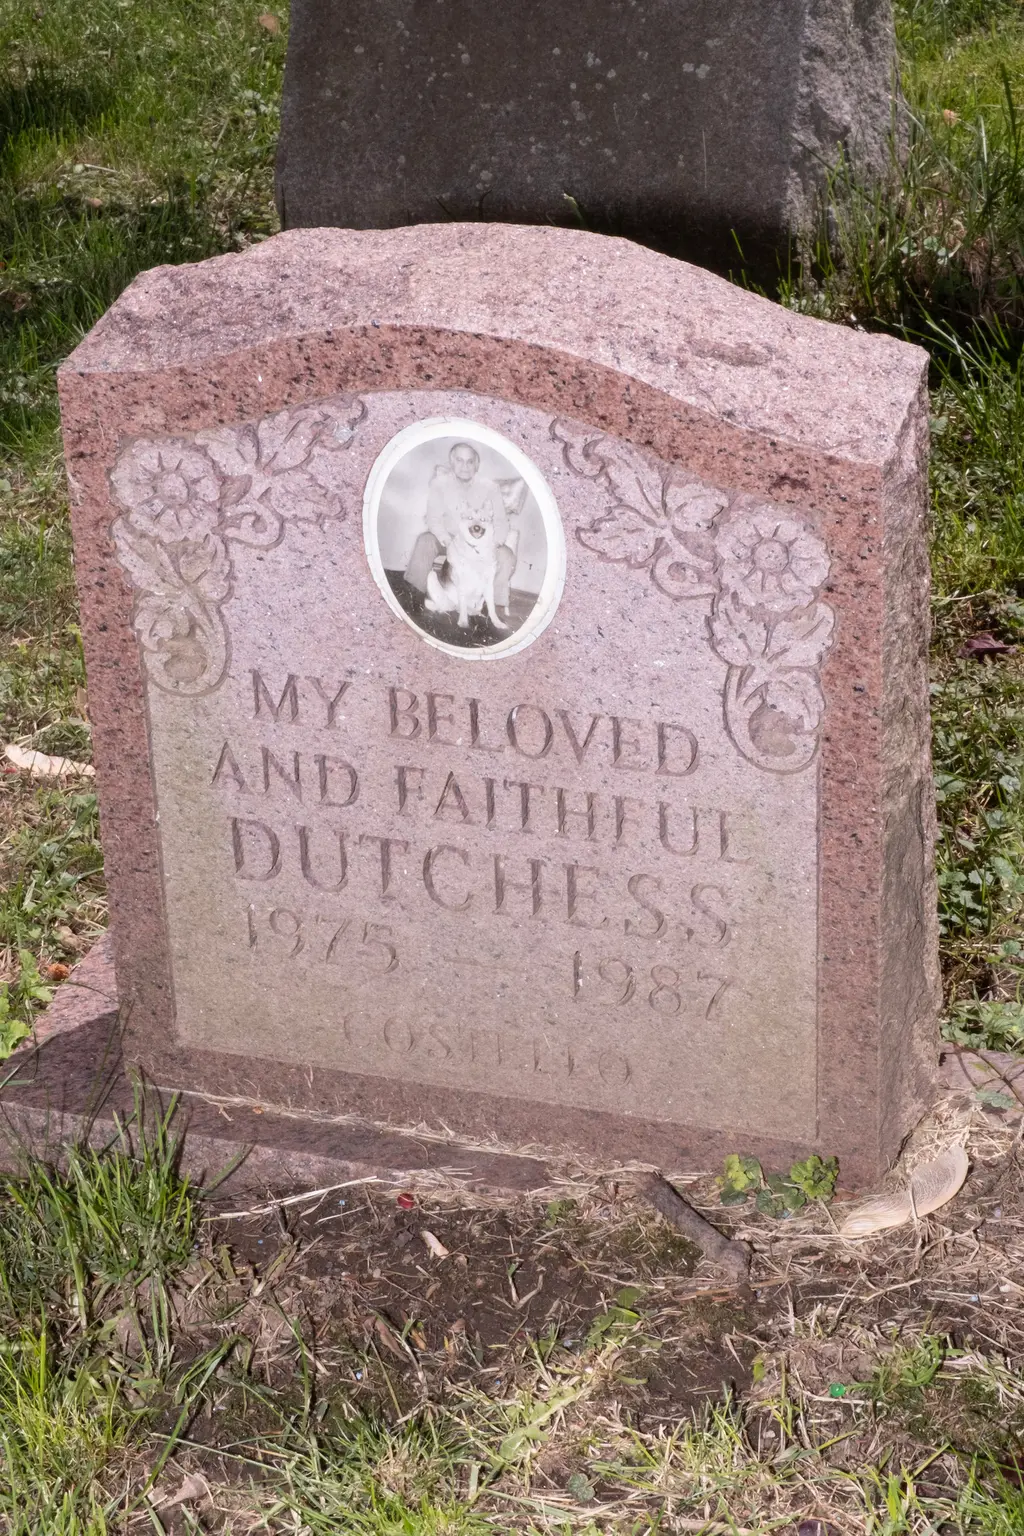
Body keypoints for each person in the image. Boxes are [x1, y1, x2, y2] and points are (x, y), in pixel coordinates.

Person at [404, 443, 516, 611]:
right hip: (448, 538)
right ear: (452, 462)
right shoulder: (439, 484)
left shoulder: (490, 488)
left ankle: (493, 608)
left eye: (470, 462)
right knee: (425, 540)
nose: (465, 466)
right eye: (460, 460)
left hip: (481, 542)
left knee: (506, 556)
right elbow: (433, 518)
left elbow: (501, 521)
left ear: (477, 464)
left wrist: (493, 544)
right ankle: (414, 596)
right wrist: (447, 540)